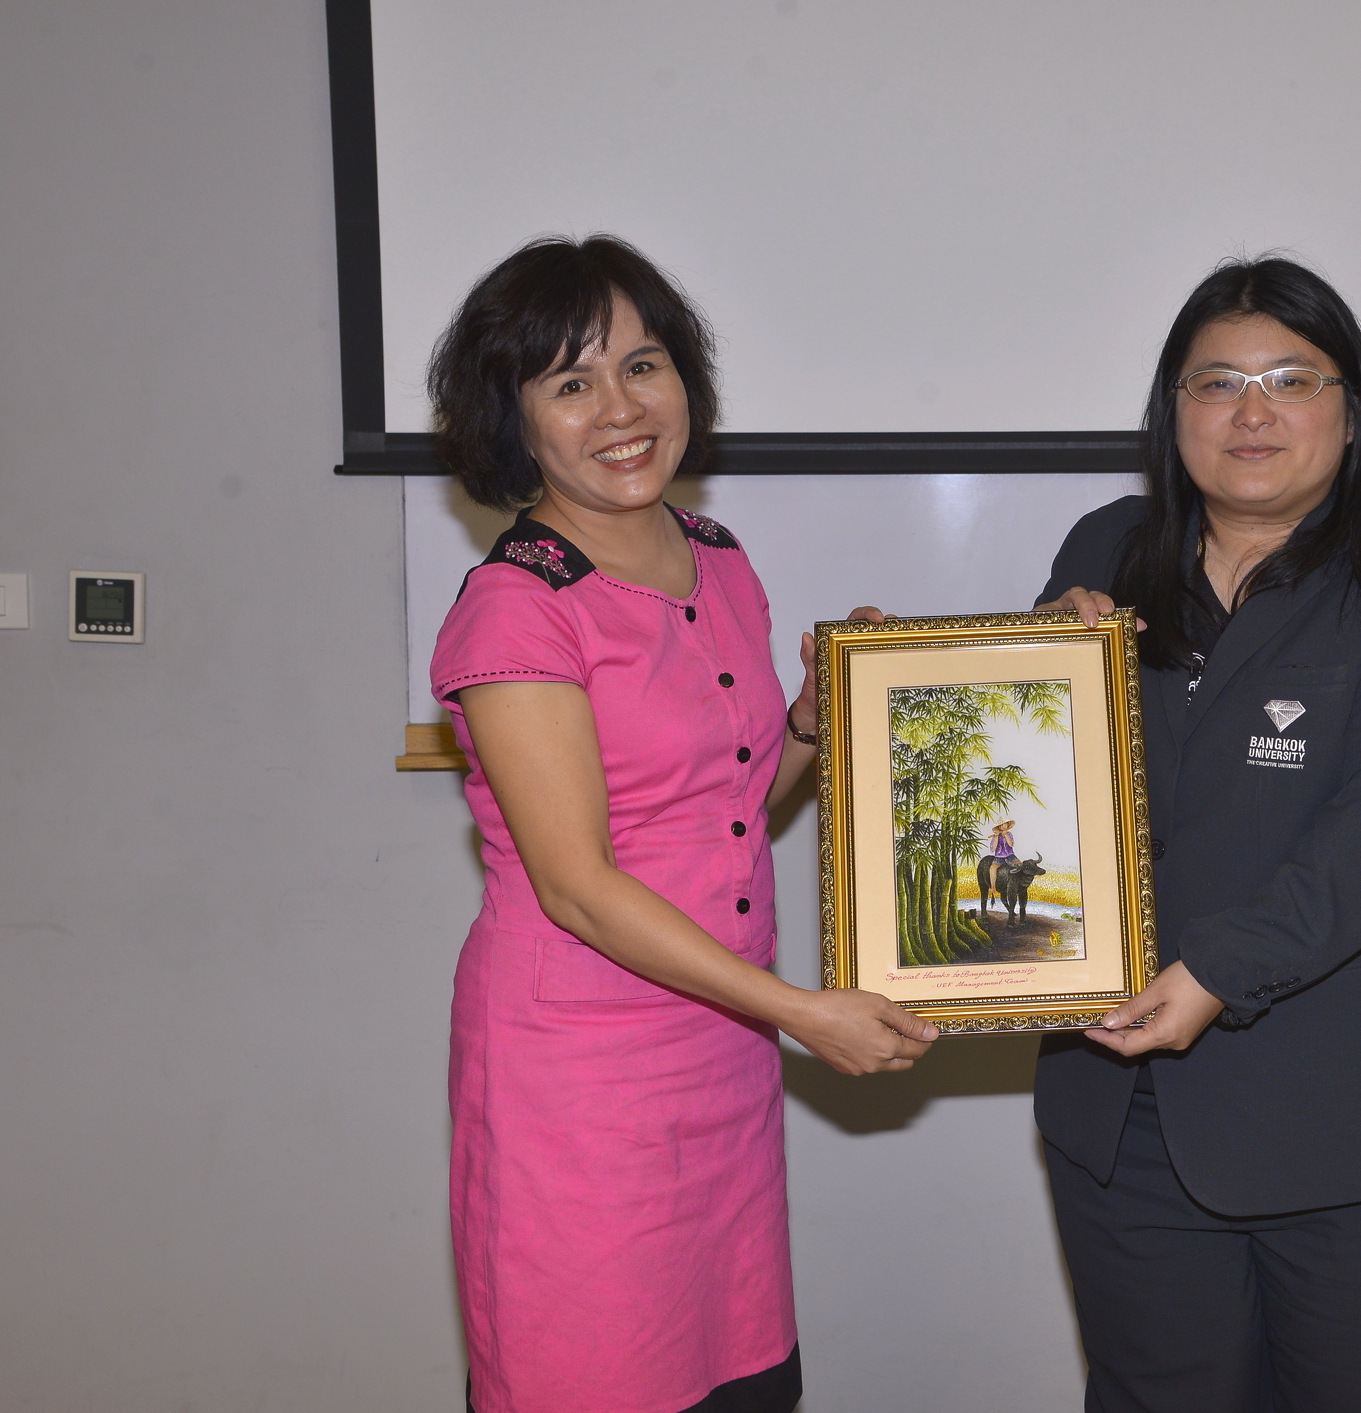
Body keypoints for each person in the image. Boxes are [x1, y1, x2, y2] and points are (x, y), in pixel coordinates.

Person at [424, 235, 937, 1413]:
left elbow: (731, 810)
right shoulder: (515, 608)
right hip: (579, 1078)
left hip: (720, 1052)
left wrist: (812, 719)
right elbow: (577, 885)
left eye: (642, 365)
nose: (620, 409)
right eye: (571, 382)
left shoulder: (717, 558)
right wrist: (799, 1012)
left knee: (738, 1379)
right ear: (515, 421)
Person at [1034, 257, 1361, 1412]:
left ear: (1350, 412)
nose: (1250, 413)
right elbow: (1043, 789)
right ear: (1172, 413)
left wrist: (1219, 970)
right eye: (1215, 382)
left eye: (1290, 380)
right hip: (1126, 1127)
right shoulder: (1104, 551)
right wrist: (1019, 663)